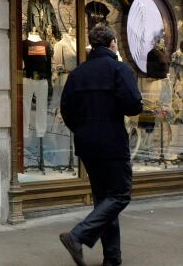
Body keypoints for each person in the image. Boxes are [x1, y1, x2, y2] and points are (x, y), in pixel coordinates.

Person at [58, 24, 143, 266]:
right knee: (120, 194)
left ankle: (112, 258)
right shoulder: (119, 69)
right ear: (113, 43)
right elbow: (133, 105)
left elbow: (66, 109)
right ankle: (78, 235)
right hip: (112, 142)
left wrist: (82, 130)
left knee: (104, 198)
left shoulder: (78, 73)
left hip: (86, 143)